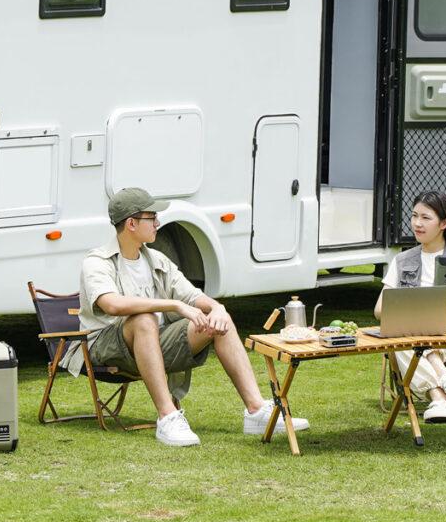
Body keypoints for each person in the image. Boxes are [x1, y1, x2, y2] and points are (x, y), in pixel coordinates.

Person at [61, 187, 309, 447]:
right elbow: (111, 304)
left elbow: (193, 296)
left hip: (152, 342)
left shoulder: (156, 259)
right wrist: (175, 306)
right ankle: (168, 418)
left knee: (217, 322)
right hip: (107, 344)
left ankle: (256, 411)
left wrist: (218, 309)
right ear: (131, 223)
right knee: (143, 319)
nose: (158, 222)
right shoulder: (97, 261)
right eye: (151, 217)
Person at [374, 191, 446, 423]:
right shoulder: (403, 260)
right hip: (412, 338)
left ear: (444, 223)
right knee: (403, 340)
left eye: (426, 218)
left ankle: (439, 393)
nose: (417, 223)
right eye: (414, 216)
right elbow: (380, 309)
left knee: (403, 341)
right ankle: (442, 393)